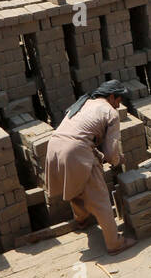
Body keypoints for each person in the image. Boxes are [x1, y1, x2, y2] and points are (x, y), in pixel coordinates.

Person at [45, 80, 135, 253]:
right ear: (111, 97)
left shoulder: (84, 102)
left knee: (76, 186)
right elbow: (111, 153)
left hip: (55, 147)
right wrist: (118, 160)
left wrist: (100, 156)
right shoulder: (110, 112)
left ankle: (82, 220)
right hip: (75, 151)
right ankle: (115, 244)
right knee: (100, 198)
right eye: (118, 100)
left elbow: (85, 136)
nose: (119, 105)